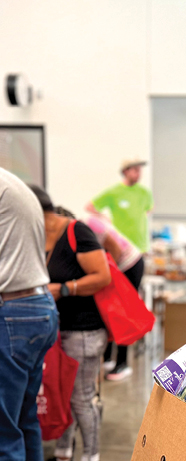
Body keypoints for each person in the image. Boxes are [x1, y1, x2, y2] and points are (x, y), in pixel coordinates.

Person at [30, 186, 111, 461]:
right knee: (62, 393)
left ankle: (91, 455)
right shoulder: (41, 237)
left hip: (85, 332)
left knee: (81, 397)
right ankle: (64, 453)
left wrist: (64, 289)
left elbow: (102, 276)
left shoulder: (77, 231)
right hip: (59, 331)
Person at [0, 169, 59, 461]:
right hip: (40, 306)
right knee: (25, 419)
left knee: (3, 431)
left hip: (12, 312)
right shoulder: (13, 182)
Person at [84, 213, 144, 381]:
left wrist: (108, 274)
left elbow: (116, 249)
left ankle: (123, 363)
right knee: (109, 310)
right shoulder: (86, 224)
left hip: (130, 265)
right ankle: (109, 358)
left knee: (122, 313)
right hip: (122, 265)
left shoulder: (90, 227)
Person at [86, 159, 153, 254]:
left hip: (142, 247)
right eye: (135, 170)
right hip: (122, 246)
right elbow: (90, 206)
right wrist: (104, 217)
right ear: (126, 171)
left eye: (140, 171)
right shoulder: (114, 192)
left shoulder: (145, 192)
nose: (139, 174)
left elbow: (149, 209)